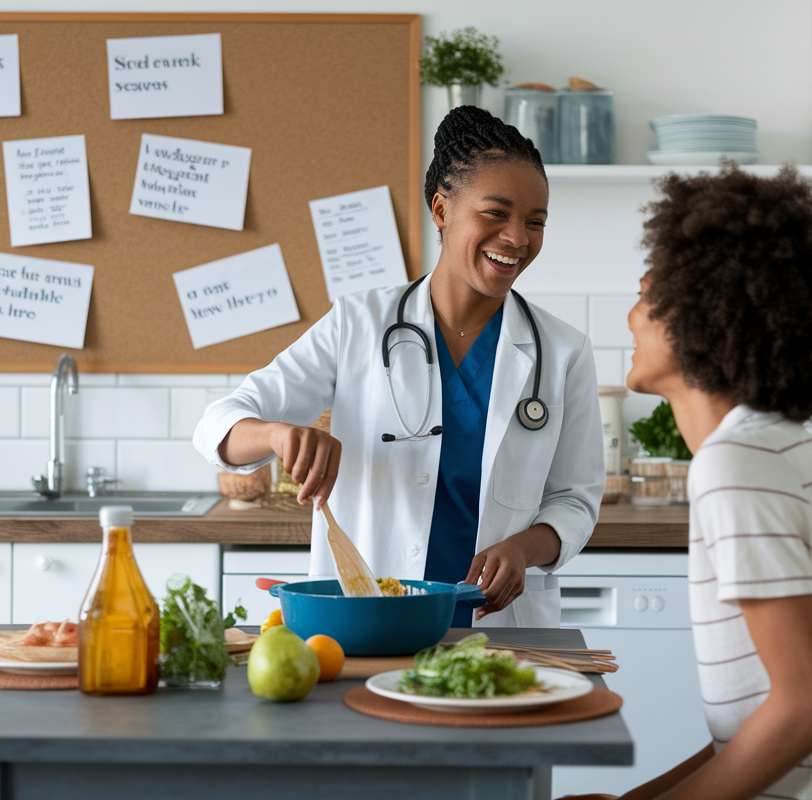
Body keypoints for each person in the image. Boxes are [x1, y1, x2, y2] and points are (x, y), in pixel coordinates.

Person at [562, 166, 812, 800]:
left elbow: (808, 709)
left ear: (701, 311)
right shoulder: (774, 446)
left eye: (647, 293)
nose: (632, 315)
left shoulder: (738, 467)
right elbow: (757, 727)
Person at [194, 106, 604, 626]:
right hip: (370, 619)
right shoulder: (358, 324)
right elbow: (218, 425)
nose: (518, 238)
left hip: (497, 624)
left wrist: (525, 548)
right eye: (496, 213)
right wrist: (277, 436)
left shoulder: (563, 351)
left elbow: (575, 500)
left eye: (535, 222)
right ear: (441, 209)